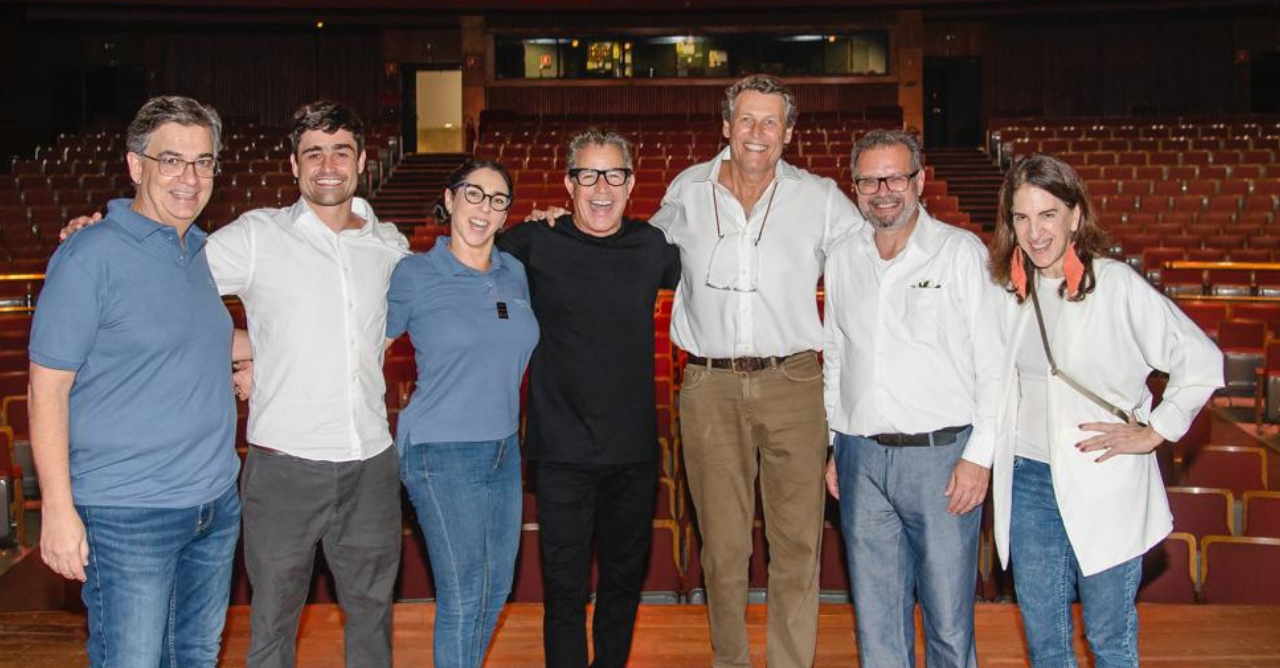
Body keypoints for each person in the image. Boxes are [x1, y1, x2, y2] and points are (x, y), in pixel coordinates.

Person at [62, 101, 410, 668]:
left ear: (362, 161)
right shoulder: (254, 236)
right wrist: (104, 231)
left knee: (373, 623)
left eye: (340, 151)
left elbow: (381, 330)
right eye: (312, 153)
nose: (327, 165)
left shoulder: (389, 245)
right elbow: (167, 280)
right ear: (294, 166)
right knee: (271, 626)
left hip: (371, 463)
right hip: (283, 468)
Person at [649, 74, 861, 668]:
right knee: (723, 546)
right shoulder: (687, 190)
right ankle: (732, 661)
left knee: (798, 544)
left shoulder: (819, 198)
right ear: (726, 125)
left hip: (794, 382)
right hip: (708, 384)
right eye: (747, 119)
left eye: (771, 122)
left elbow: (872, 258)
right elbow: (632, 256)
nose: (757, 133)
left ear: (790, 133)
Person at [29, 95, 245, 668]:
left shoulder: (200, 251)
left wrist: (253, 360)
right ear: (135, 165)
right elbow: (46, 386)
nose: (189, 177)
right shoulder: (89, 254)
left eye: (203, 162)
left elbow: (197, 341)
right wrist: (57, 507)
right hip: (128, 515)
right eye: (172, 159)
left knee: (195, 657)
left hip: (214, 505)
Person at [988, 154, 1223, 667]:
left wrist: (1156, 429)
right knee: (1046, 644)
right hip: (1028, 481)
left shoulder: (1114, 284)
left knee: (1109, 639)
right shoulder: (1007, 291)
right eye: (1021, 217)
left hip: (1103, 476)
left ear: (1075, 215)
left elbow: (1202, 360)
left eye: (1047, 214)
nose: (1034, 231)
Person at [499, 129, 680, 668]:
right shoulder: (533, 243)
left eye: (614, 174)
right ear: (568, 184)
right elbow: (467, 254)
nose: (602, 187)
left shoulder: (653, 247)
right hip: (561, 453)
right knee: (564, 591)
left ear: (631, 183)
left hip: (633, 453)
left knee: (624, 584)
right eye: (588, 174)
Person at [822, 129, 1002, 668]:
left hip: (943, 460)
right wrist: (835, 443)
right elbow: (835, 354)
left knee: (948, 620)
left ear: (919, 181)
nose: (883, 190)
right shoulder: (842, 256)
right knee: (876, 622)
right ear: (854, 187)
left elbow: (993, 364)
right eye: (870, 179)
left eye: (895, 177)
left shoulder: (960, 253)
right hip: (861, 459)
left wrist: (979, 456)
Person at [386, 159, 539, 668]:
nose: (484, 208)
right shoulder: (415, 273)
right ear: (450, 200)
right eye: (474, 194)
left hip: (502, 451)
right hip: (440, 453)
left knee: (495, 590)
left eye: (498, 200)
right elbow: (364, 350)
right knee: (463, 595)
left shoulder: (513, 272)